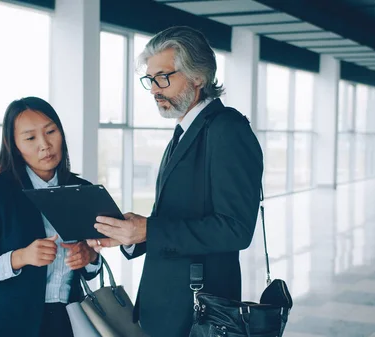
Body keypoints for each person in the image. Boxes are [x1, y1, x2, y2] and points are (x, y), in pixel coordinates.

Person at [89, 26, 264, 336]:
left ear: (198, 76)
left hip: (198, 311)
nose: (155, 89)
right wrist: (133, 235)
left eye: (163, 77)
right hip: (169, 305)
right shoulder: (184, 131)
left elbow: (236, 229)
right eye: (150, 80)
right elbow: (176, 218)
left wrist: (149, 229)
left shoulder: (227, 130)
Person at [0, 97, 101, 337]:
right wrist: (21, 257)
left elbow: (91, 268)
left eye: (51, 131)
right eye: (30, 138)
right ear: (14, 145)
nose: (45, 145)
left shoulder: (82, 189)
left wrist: (89, 257)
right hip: (11, 324)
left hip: (68, 323)